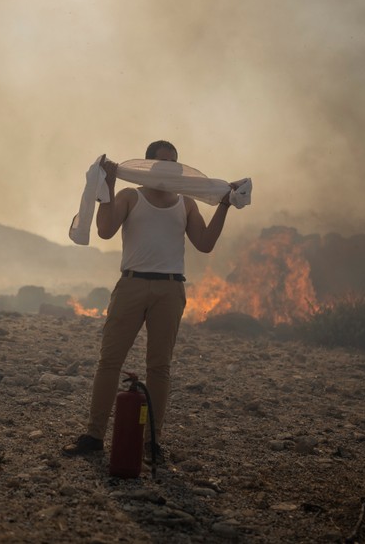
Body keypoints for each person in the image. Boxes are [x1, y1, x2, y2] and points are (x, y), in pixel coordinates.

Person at [63, 140, 240, 458]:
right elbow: (105, 230)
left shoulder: (185, 203)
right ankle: (93, 436)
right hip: (132, 284)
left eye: (174, 162)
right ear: (149, 166)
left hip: (170, 290)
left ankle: (152, 442)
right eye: (162, 162)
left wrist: (225, 204)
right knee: (110, 362)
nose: (169, 167)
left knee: (159, 368)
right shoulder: (131, 196)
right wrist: (111, 181)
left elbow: (205, 243)